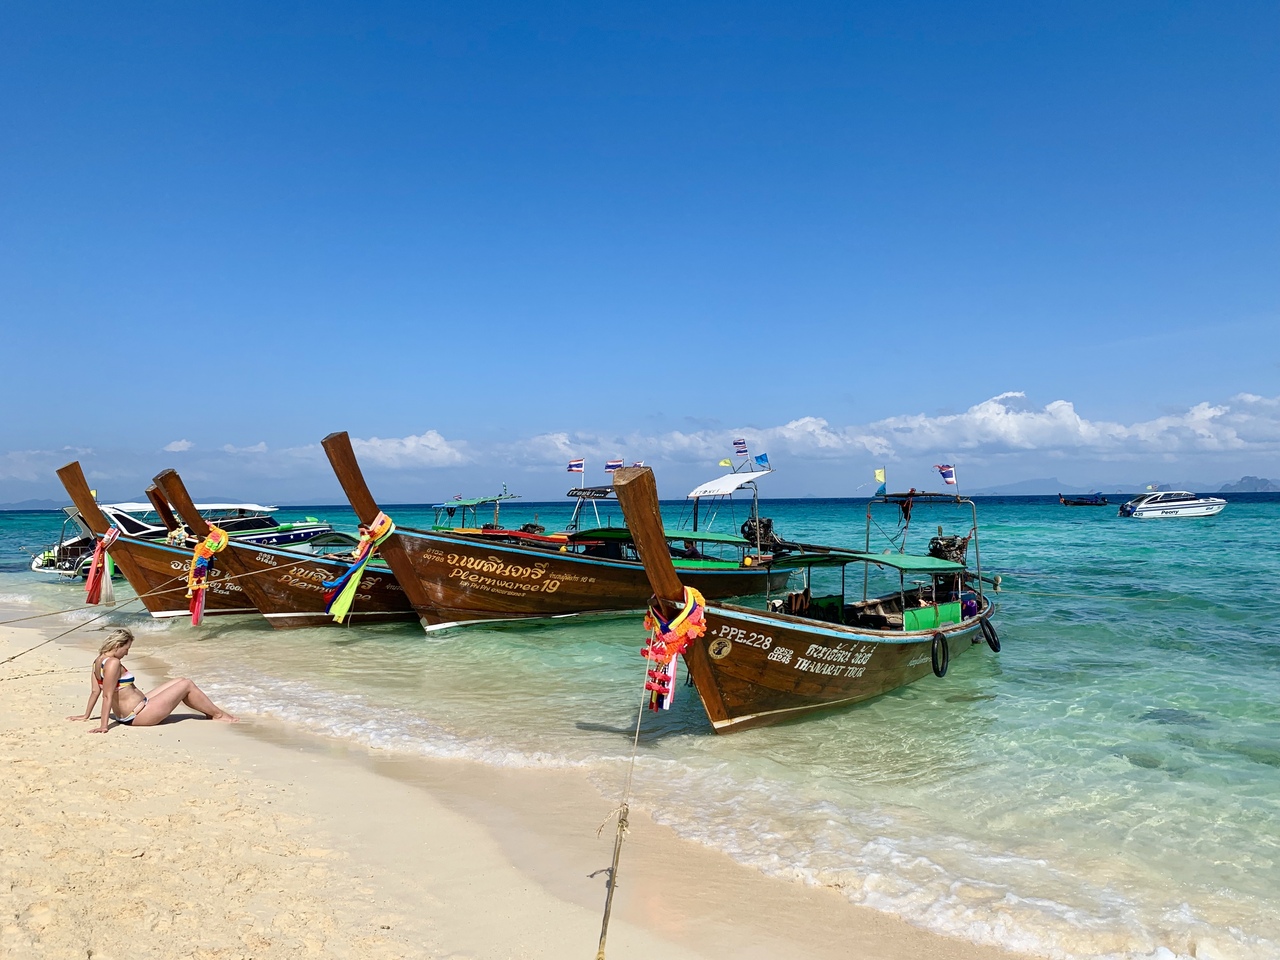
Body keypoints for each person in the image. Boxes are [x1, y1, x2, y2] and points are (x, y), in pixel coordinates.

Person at [67, 628, 237, 732]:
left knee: (180, 680)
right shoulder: (113, 663)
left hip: (136, 709)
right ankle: (218, 714)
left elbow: (95, 691)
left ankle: (210, 713)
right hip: (138, 715)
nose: (127, 653)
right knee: (187, 684)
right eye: (126, 649)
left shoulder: (98, 661)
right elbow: (106, 696)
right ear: (117, 646)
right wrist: (104, 726)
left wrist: (86, 715)